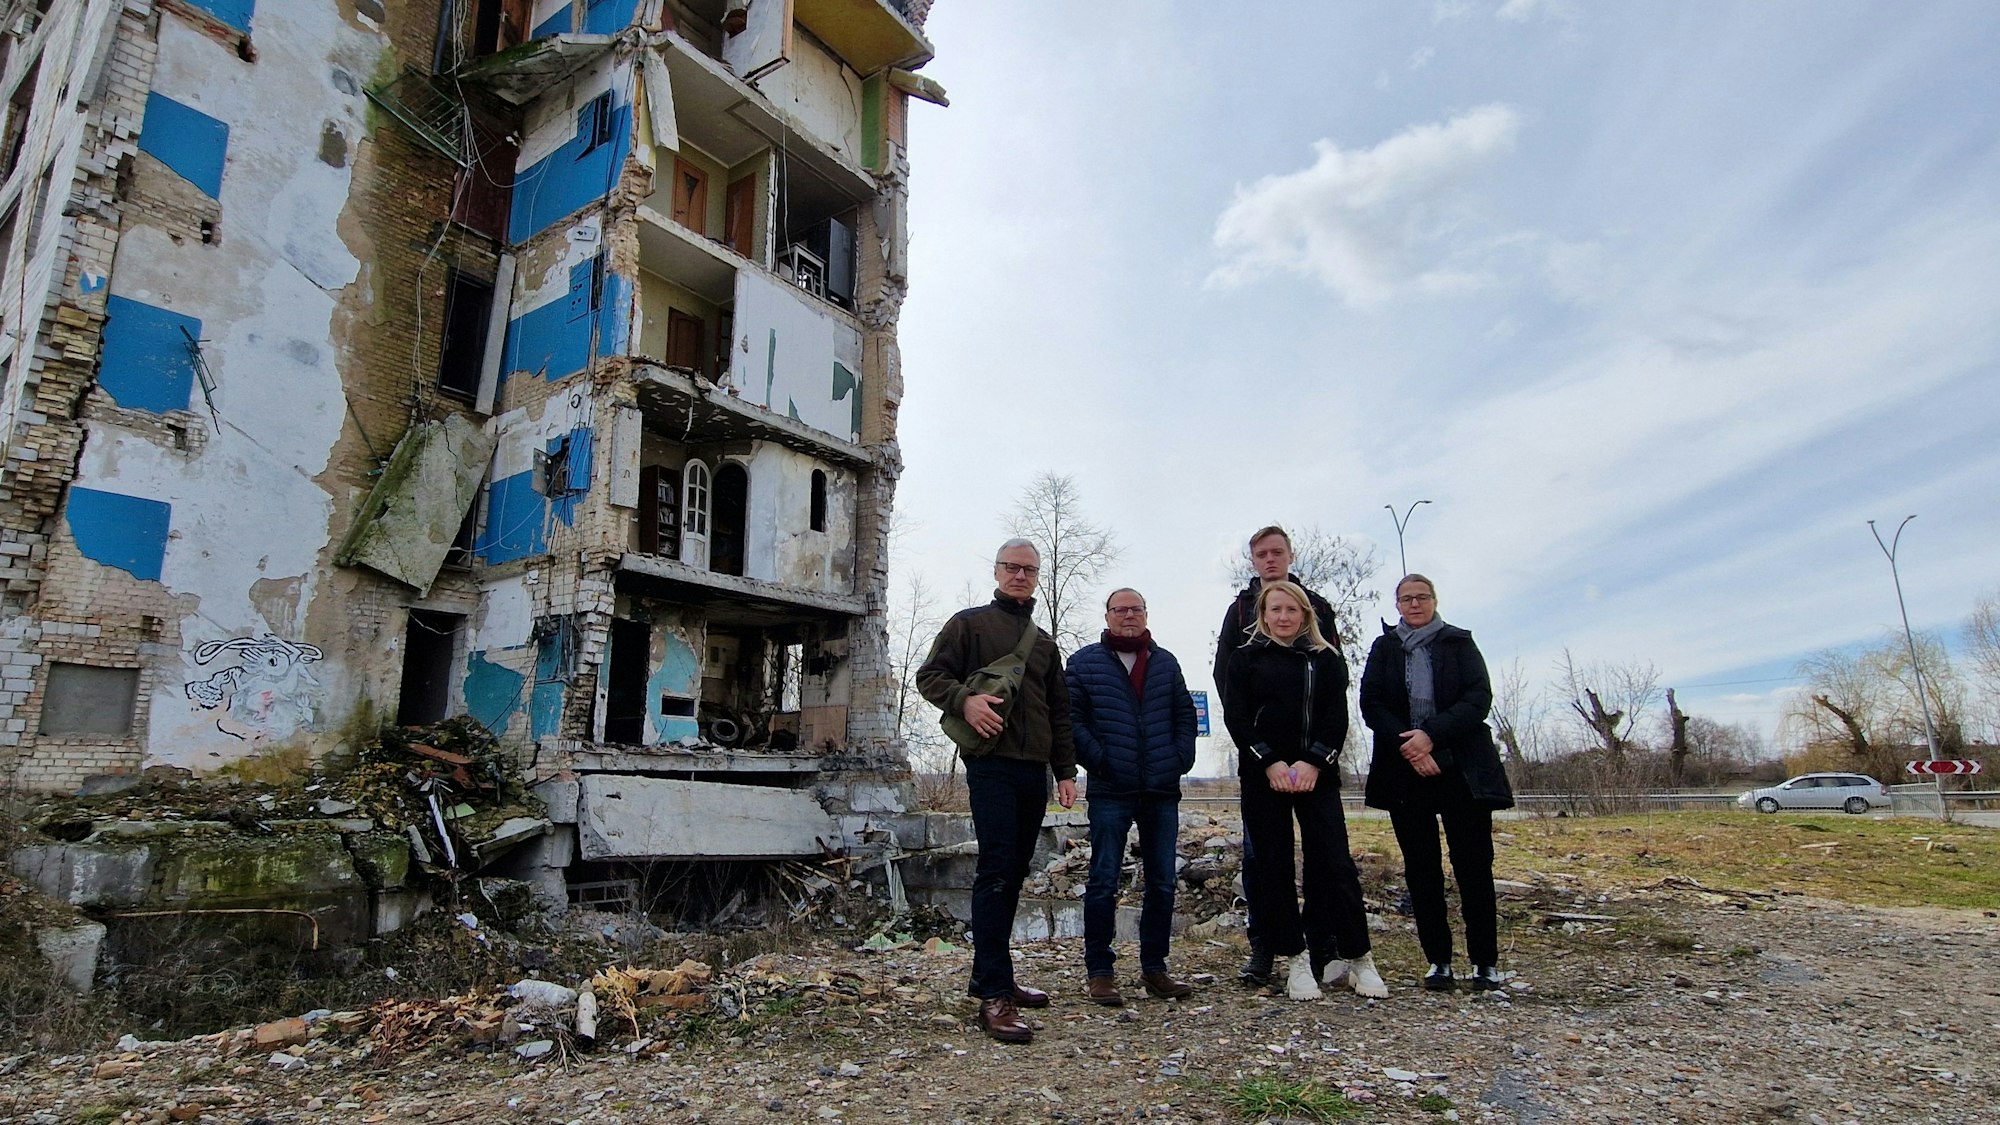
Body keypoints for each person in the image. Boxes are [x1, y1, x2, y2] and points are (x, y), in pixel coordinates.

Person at [916, 538, 1078, 1043]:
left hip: (1034, 772)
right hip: (990, 767)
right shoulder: (968, 624)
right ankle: (993, 997)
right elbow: (929, 677)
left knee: (1013, 873)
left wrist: (1066, 771)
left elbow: (1059, 712)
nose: (1020, 576)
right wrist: (965, 701)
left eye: (1029, 570)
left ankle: (996, 978)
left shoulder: (1045, 644)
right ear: (997, 570)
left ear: (1037, 577)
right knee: (995, 872)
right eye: (1012, 567)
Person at [1223, 580, 1386, 1001]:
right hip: (1265, 777)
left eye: (1291, 610)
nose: (1282, 617)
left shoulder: (1326, 660)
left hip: (1317, 775)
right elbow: (1237, 719)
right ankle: (1295, 961)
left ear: (1305, 615)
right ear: (1263, 615)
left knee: (1334, 865)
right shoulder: (1244, 660)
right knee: (1273, 869)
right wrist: (1270, 761)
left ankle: (1359, 958)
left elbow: (1337, 718)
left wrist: (1315, 760)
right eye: (1274, 610)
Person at [1360, 574, 1515, 992]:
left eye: (1422, 597)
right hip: (1405, 770)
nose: (1414, 605)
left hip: (1461, 768)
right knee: (1421, 869)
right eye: (1406, 599)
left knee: (1473, 866)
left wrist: (1432, 738)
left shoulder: (1458, 642)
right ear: (1396, 605)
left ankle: (1484, 962)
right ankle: (1438, 962)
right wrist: (1410, 747)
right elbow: (1371, 702)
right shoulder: (1385, 648)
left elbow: (1478, 698)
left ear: (1434, 600)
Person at [1212, 524, 1341, 986]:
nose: (1270, 560)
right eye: (1262, 554)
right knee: (1262, 859)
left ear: (1289, 555)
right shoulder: (1241, 609)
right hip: (1262, 760)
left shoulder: (1318, 607)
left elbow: (1333, 679)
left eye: (1277, 552)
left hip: (1313, 760)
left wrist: (1318, 754)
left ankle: (1322, 946)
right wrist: (1256, 746)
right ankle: (1266, 947)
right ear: (1253, 561)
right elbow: (1226, 678)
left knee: (1326, 856)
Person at [1065, 588, 1199, 1006]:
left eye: (1135, 609)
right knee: (1103, 880)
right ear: (1106, 616)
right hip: (1110, 790)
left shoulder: (1165, 662)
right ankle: (1100, 972)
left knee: (1162, 881)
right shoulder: (1084, 663)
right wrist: (1102, 761)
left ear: (1146, 614)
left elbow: (1184, 718)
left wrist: (1178, 759)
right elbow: (1072, 720)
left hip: (1161, 790)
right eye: (1119, 609)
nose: (1128, 616)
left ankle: (1155, 968)